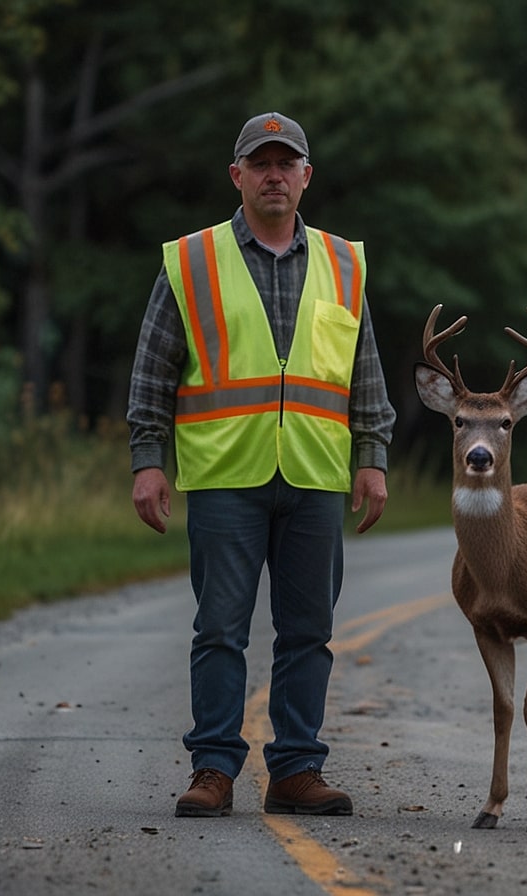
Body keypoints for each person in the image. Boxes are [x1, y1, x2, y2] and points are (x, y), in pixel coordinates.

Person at [127, 112, 395, 819]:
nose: (274, 175)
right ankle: (213, 769)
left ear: (306, 176)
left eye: (287, 163)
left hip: (313, 477)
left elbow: (364, 372)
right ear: (237, 175)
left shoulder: (342, 262)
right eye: (261, 163)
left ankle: (297, 771)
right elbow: (153, 369)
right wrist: (147, 462)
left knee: (309, 630)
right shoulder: (191, 261)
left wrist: (373, 458)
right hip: (224, 478)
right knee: (220, 627)